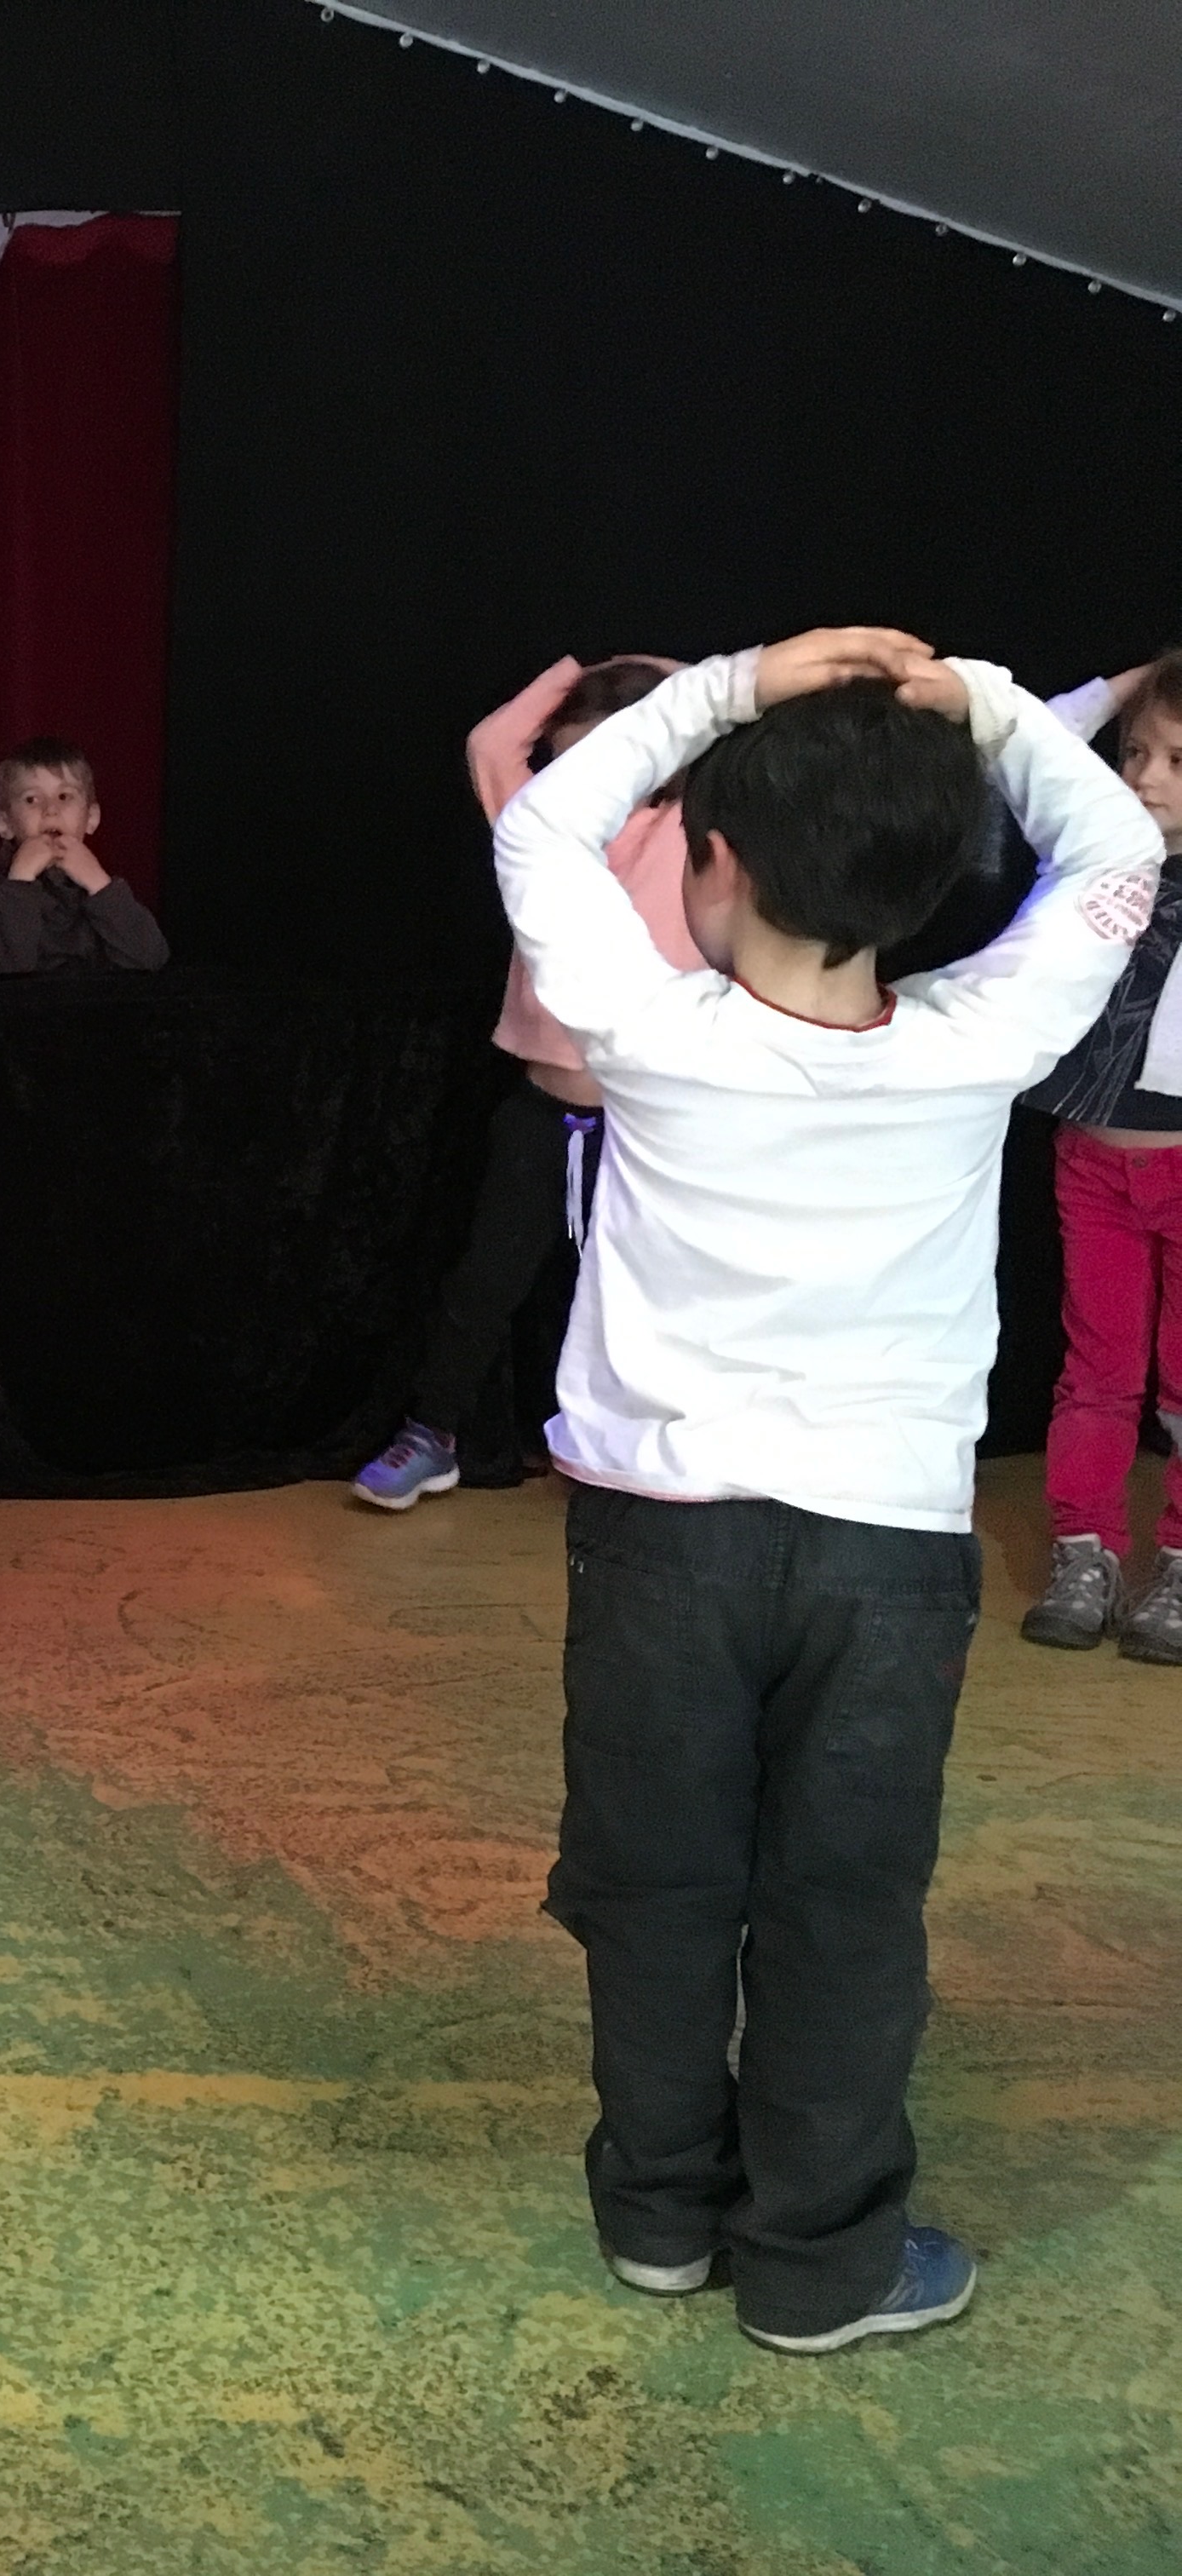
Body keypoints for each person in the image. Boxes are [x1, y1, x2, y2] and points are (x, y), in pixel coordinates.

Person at [503, 626, 1162, 2355]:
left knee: (656, 1886)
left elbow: (540, 825)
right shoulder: (978, 1036)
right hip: (882, 1559)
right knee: (841, 1906)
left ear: (711, 861)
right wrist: (986, 706)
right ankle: (816, 2263)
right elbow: (1115, 849)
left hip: (661, 1547)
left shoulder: (648, 1028)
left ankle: (659, 2215)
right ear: (931, 883)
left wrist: (734, 683)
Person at [354, 658, 703, 1509]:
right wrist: (585, 671)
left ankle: (656, 1456)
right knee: (485, 1281)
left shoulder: (693, 823)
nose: (590, 781)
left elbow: (739, 720)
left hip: (655, 1121)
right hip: (545, 1112)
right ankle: (432, 1434)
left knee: (658, 1294)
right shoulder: (542, 831)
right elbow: (491, 743)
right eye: (573, 763)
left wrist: (666, 687)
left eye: (614, 760)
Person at [1008, 653, 1182, 1656]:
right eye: (1135, 753)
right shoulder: (1097, 854)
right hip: (1094, 1163)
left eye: (1177, 761)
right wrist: (1132, 683)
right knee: (1097, 1371)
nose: (1146, 777)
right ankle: (1087, 1552)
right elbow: (1027, 745)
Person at [0, 737, 169, 976]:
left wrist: (99, 884)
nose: (51, 810)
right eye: (31, 800)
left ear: (91, 818)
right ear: (5, 824)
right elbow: (2, 970)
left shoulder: (103, 891)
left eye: (64, 797)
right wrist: (20, 880)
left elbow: (150, 959)